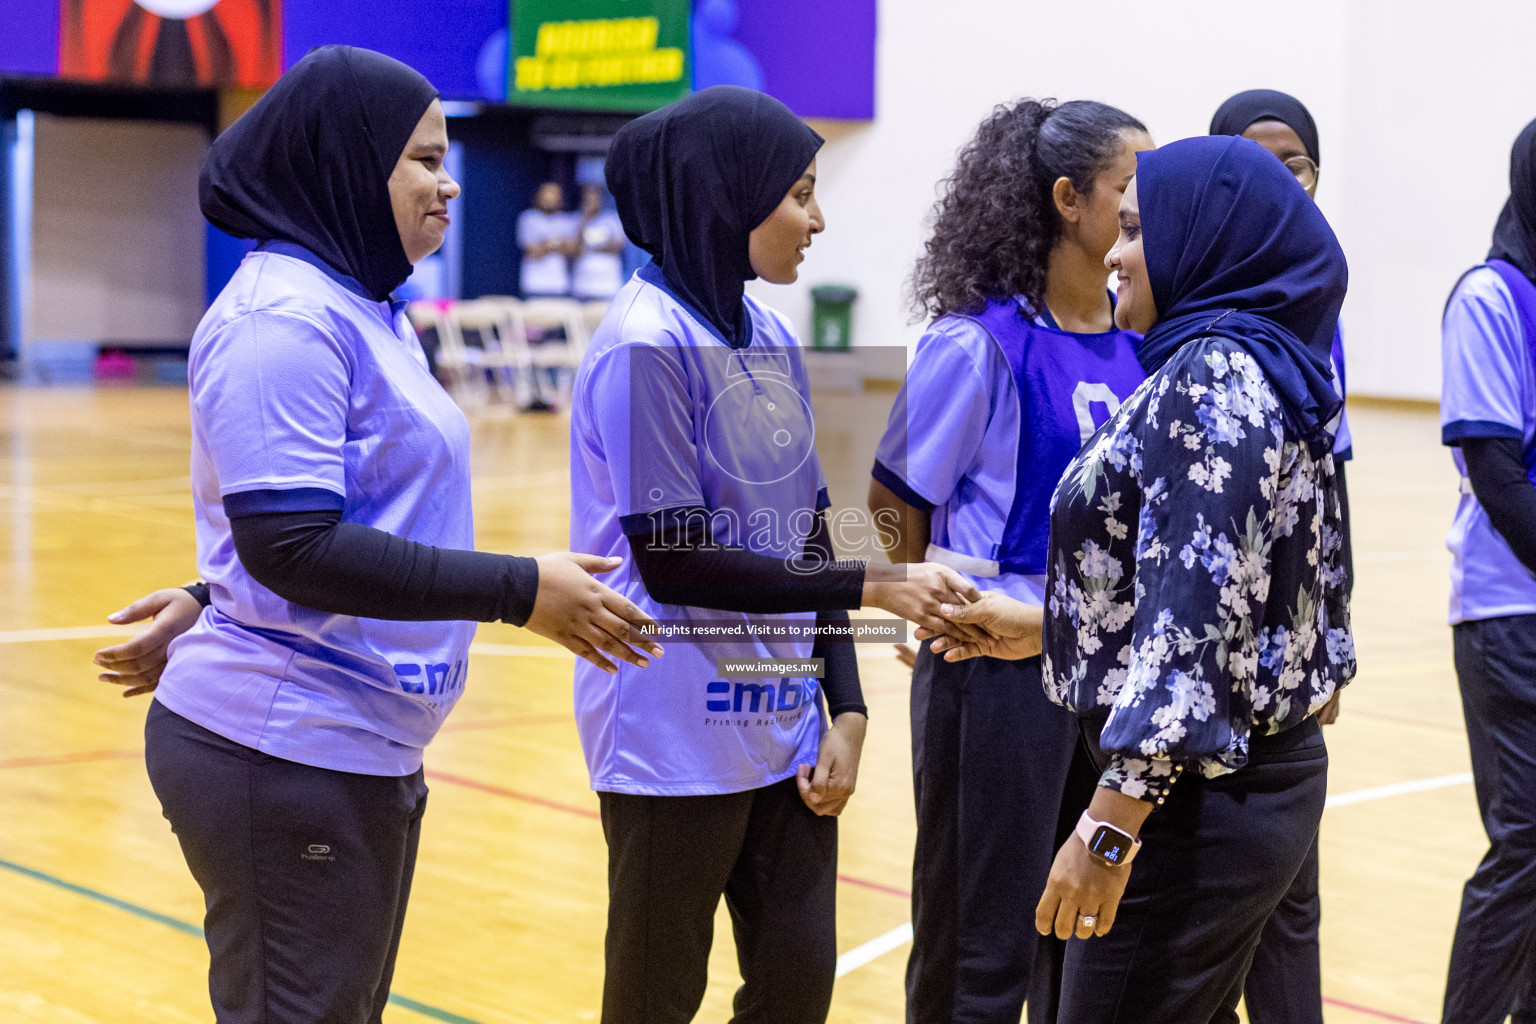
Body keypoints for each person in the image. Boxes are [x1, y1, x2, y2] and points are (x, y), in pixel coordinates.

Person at [95, 47, 660, 1024]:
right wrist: (519, 589)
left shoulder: (367, 306)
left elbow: (330, 510)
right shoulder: (284, 318)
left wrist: (203, 592)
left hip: (355, 743)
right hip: (281, 750)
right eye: (423, 160)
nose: (449, 183)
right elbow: (292, 545)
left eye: (447, 159)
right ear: (350, 166)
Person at [924, 135, 1355, 1022]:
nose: (1115, 255)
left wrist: (1108, 831)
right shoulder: (1255, 361)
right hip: (1231, 784)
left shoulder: (1213, 380)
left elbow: (1196, 633)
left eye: (1135, 232)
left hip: (1194, 801)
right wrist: (1050, 622)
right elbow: (1222, 587)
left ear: (1201, 242)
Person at [574, 85, 978, 1024]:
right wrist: (875, 577)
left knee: (797, 984)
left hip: (785, 726)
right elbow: (677, 558)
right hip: (670, 733)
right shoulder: (644, 342)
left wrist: (846, 702)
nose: (818, 219)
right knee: (654, 997)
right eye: (798, 193)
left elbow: (811, 524)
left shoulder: (771, 337)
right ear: (727, 198)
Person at [868, 98, 1152, 1024]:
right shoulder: (978, 342)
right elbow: (881, 516)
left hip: (1104, 667)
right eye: (1129, 189)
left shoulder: (1142, 342)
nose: (1147, 208)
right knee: (979, 952)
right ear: (1070, 199)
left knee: (1080, 938)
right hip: (994, 676)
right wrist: (923, 611)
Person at [1209, 87, 1350, 1024]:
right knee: (1203, 915)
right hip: (1194, 671)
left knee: (1292, 906)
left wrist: (1333, 640)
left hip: (1285, 670)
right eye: (1254, 163)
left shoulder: (1322, 310)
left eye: (1294, 161)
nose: (1280, 180)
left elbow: (1331, 503)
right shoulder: (1176, 302)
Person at [1438, 116, 1536, 1024]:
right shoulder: (1491, 296)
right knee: (1528, 840)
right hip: (1512, 613)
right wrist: (877, 613)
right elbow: (1497, 473)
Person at [517, 181, 577, 298]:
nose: (550, 198)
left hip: (559, 284)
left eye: (554, 195)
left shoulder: (567, 220)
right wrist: (558, 245)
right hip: (533, 283)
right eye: (546, 194)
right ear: (538, 196)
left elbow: (571, 250)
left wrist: (544, 244)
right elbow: (533, 251)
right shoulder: (528, 218)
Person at [571, 183, 628, 301]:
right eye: (588, 200)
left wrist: (591, 248)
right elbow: (575, 248)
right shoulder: (576, 219)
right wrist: (584, 219)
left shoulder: (611, 219)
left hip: (607, 284)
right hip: (583, 284)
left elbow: (619, 244)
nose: (591, 202)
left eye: (594, 199)